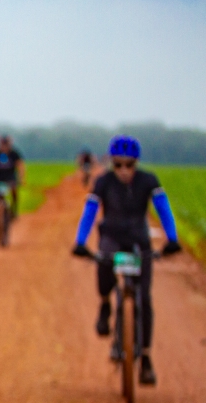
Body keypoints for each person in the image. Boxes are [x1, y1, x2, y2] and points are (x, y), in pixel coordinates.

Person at [72, 135, 182, 385]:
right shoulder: (103, 182)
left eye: (129, 165)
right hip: (111, 237)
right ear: (112, 163)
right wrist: (80, 241)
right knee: (103, 266)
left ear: (136, 163)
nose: (124, 170)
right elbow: (90, 211)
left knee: (144, 298)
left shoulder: (149, 181)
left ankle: (146, 357)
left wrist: (172, 238)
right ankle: (105, 305)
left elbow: (163, 208)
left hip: (138, 240)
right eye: (118, 165)